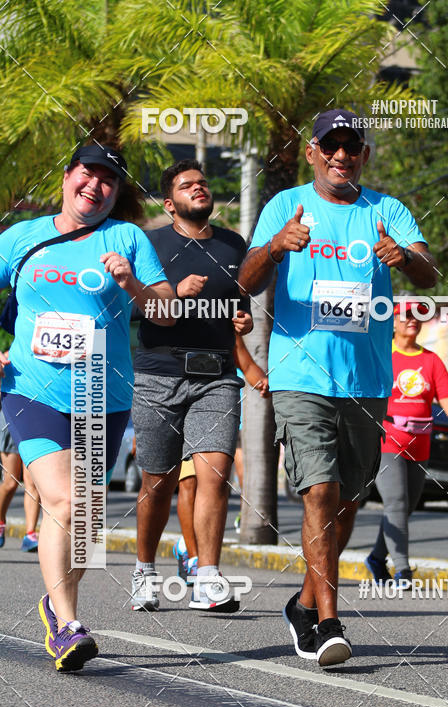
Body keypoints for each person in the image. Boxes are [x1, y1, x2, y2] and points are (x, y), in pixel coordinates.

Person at [239, 108, 436, 667]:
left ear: (364, 155)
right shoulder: (286, 205)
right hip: (300, 375)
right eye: (331, 146)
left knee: (347, 501)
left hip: (367, 380)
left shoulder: (387, 210)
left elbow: (428, 272)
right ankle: (328, 621)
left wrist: (405, 257)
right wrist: (275, 247)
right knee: (320, 492)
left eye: (351, 147)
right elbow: (245, 279)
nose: (341, 156)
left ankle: (303, 603)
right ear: (312, 152)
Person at [0, 144, 175, 672]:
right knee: (67, 500)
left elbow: (166, 313)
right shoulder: (23, 237)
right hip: (32, 389)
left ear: (115, 192)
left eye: (108, 180)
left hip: (104, 395)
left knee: (85, 521)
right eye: (87, 173)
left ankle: (56, 606)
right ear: (67, 176)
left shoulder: (128, 239)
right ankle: (67, 622)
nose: (95, 186)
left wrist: (133, 285)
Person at [131, 159, 252, 612]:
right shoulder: (151, 244)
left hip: (217, 376)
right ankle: (145, 570)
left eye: (202, 183)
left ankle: (207, 576)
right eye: (187, 186)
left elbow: (241, 306)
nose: (199, 188)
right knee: (158, 482)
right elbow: (129, 306)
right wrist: (173, 294)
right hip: (159, 374)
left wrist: (243, 320)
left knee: (215, 474)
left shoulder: (233, 245)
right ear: (169, 203)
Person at [365, 301, 448, 586]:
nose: (413, 320)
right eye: (406, 315)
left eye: (418, 316)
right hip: (388, 439)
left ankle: (376, 557)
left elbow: (446, 395)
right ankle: (403, 569)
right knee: (396, 502)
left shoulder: (431, 360)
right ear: (393, 322)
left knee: (406, 507)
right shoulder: (382, 354)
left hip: (420, 443)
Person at [173, 334, 269, 578]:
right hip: (177, 401)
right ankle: (192, 555)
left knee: (214, 482)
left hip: (216, 406)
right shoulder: (174, 312)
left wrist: (261, 381)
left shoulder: (221, 316)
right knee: (188, 483)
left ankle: (203, 563)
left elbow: (241, 354)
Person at [0, 404, 41, 550]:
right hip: (11, 419)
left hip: (35, 422)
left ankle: (30, 535)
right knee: (10, 483)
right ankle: (0, 521)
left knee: (32, 483)